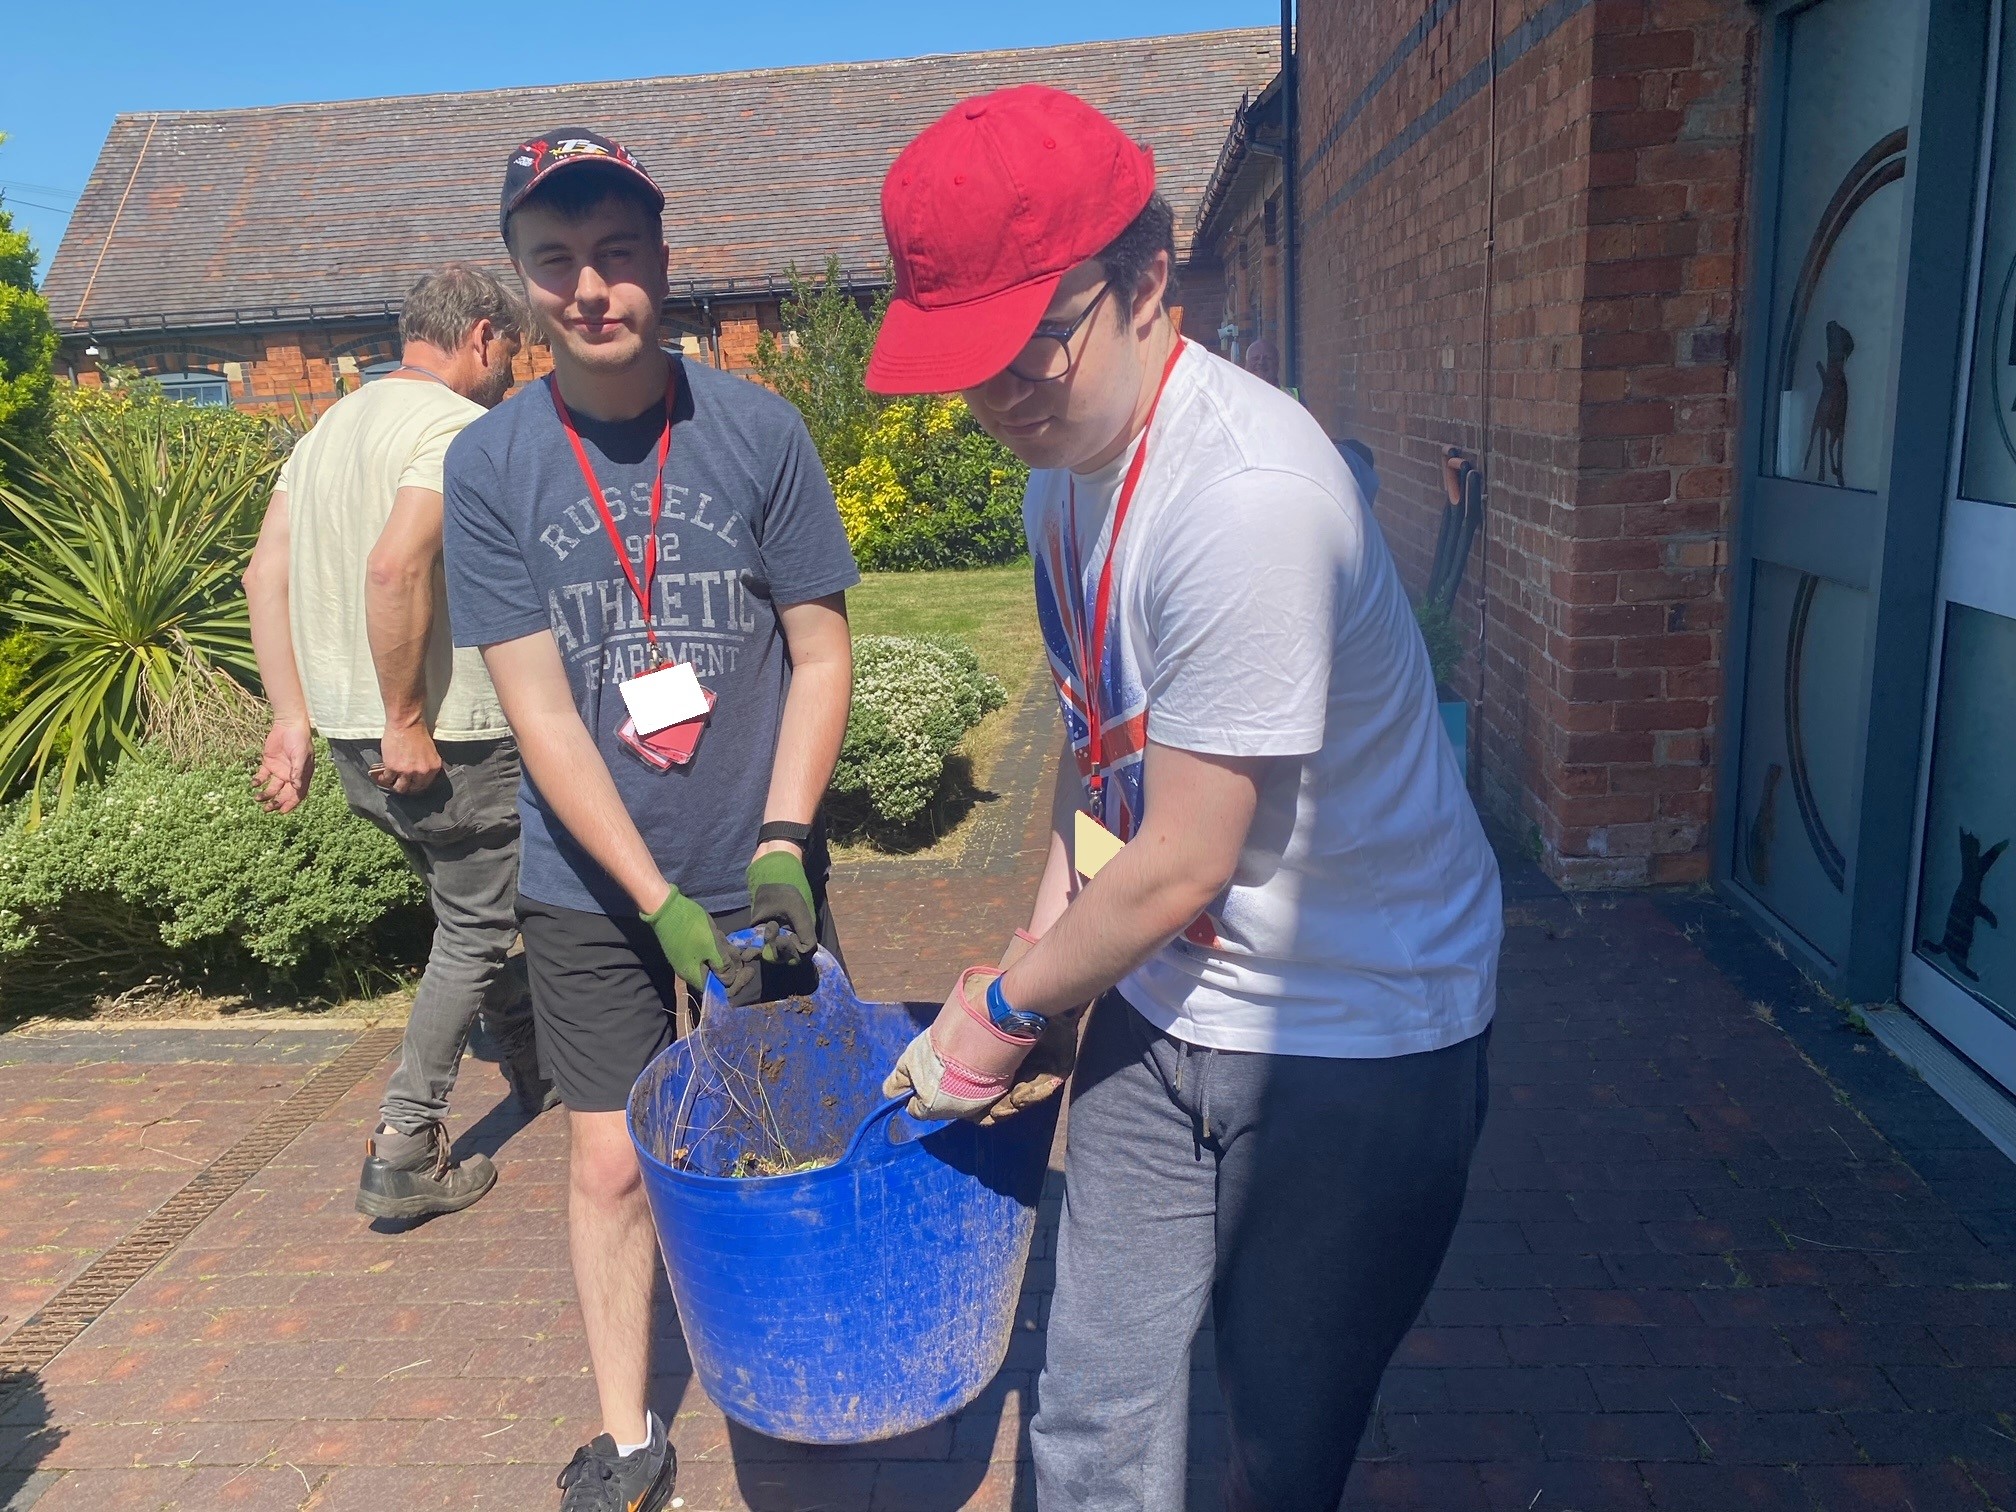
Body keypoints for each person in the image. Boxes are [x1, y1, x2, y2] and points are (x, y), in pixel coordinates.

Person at [872, 87, 1503, 1512]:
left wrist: (1009, 1006)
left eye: (1030, 345)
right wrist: (1041, 969)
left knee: (1278, 1439)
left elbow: (1181, 865)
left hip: (1353, 1027)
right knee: (1090, 1411)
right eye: (967, 366)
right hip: (1170, 1004)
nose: (1000, 399)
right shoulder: (1063, 485)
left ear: (1151, 278)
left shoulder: (1247, 498)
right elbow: (1097, 758)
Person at [440, 127, 857, 1512]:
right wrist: (656, 901)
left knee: (779, 1133)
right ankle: (628, 1432)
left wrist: (785, 840)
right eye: (556, 260)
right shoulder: (492, 464)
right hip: (588, 889)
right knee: (613, 1157)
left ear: (661, 264)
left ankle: (802, 1375)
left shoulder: (756, 431)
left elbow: (821, 649)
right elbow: (542, 715)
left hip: (763, 866)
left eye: (617, 253)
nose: (591, 286)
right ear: (522, 283)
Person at [246, 263, 546, 1223]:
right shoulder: (455, 429)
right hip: (442, 739)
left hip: (347, 740)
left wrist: (291, 719)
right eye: (514, 353)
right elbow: (393, 565)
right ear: (485, 337)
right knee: (475, 925)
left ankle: (535, 1070)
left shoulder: (329, 428)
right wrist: (407, 716)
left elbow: (264, 578)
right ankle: (405, 1145)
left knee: (475, 908)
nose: (511, 373)